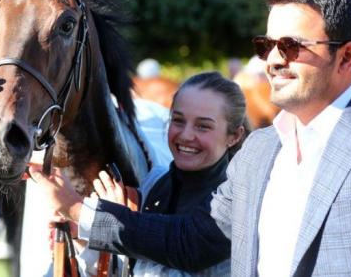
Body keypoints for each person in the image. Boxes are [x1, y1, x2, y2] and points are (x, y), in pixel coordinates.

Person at [31, 0, 351, 276]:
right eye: (266, 45)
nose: (273, 60)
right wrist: (78, 211)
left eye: (291, 46)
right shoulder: (262, 150)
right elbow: (192, 242)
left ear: (346, 56)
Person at [76, 71, 247, 276]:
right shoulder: (153, 184)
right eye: (178, 120)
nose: (186, 135)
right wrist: (81, 236)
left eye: (203, 126)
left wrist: (84, 212)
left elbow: (184, 247)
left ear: (234, 136)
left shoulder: (235, 201)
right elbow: (123, 271)